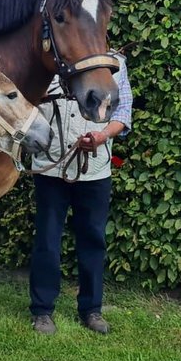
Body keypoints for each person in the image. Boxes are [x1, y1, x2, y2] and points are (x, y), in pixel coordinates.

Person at [28, 55, 132, 335]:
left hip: (95, 168)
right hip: (51, 166)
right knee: (47, 239)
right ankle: (42, 310)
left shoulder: (117, 64)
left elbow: (122, 113)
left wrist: (102, 136)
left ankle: (91, 309)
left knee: (93, 239)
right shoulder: (48, 63)